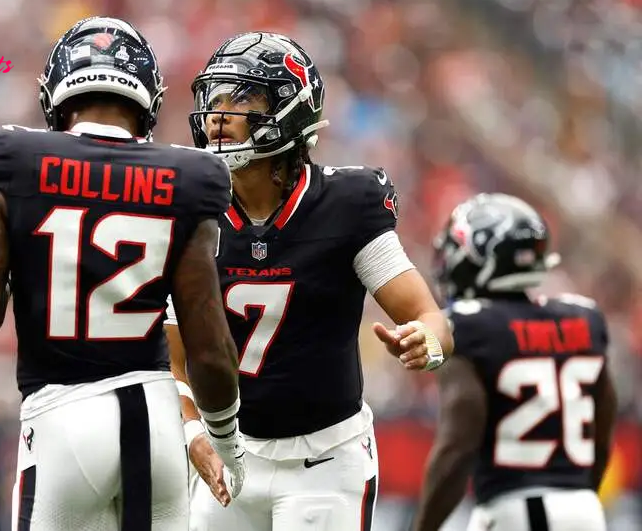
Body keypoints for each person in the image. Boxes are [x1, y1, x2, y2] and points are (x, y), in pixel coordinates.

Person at [0, 17, 244, 531]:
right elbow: (210, 350)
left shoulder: (14, 157)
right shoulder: (192, 177)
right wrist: (221, 436)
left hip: (62, 418)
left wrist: (16, 228)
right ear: (148, 100)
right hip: (156, 417)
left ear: (55, 95)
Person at [163, 31, 454, 530]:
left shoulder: (346, 205)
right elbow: (173, 362)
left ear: (290, 111)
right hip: (229, 457)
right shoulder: (191, 209)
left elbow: (430, 317)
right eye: (214, 98)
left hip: (324, 462)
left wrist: (426, 341)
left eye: (242, 97)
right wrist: (193, 433)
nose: (218, 113)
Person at [413, 193, 618, 531]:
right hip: (585, 509)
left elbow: (458, 446)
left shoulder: (468, 325)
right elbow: (602, 432)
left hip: (517, 509)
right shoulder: (585, 318)